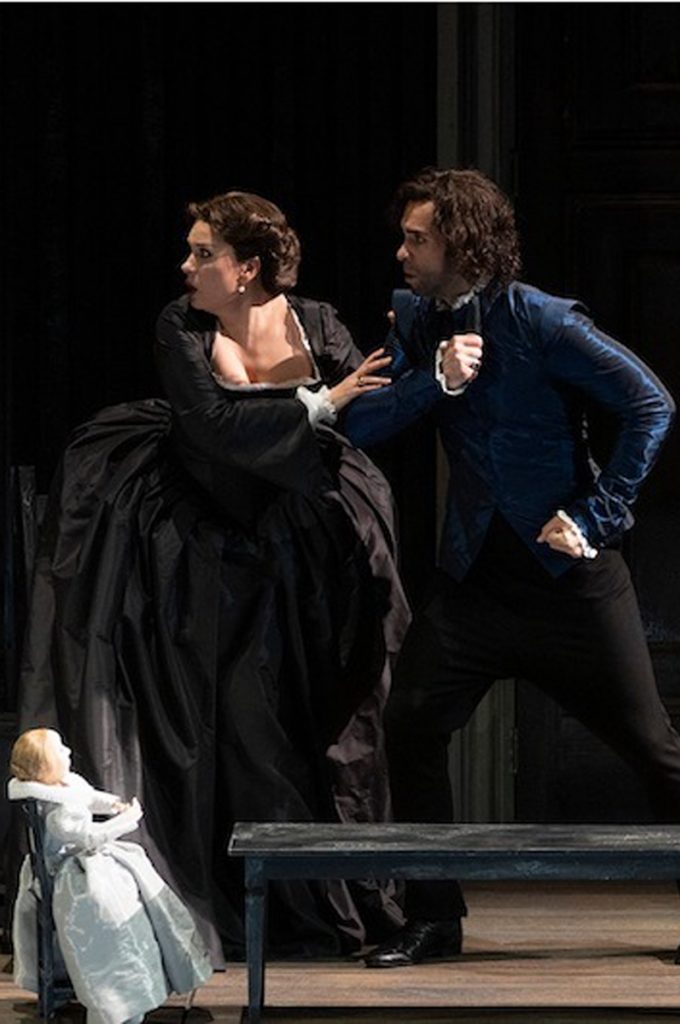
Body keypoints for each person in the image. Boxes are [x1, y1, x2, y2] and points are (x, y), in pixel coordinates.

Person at [338, 167, 680, 968]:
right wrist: (432, 383)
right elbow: (359, 428)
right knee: (409, 727)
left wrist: (596, 513)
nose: (402, 252)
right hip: (474, 580)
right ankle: (434, 917)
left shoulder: (541, 319)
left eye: (417, 239)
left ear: (462, 245)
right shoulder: (416, 318)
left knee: (650, 743)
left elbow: (650, 403)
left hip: (566, 582)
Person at [19, 191, 409, 963]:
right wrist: (317, 404)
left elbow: (364, 414)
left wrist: (418, 380)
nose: (187, 265)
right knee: (214, 716)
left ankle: (306, 900)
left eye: (203, 253)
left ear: (247, 268)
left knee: (295, 724)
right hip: (195, 536)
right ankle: (191, 900)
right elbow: (213, 427)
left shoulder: (318, 323)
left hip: (294, 540)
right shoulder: (183, 325)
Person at [8, 727, 212, 1024]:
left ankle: (147, 974)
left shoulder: (66, 785)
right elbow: (89, 836)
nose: (67, 751)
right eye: (59, 750)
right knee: (109, 910)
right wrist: (126, 821)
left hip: (86, 861)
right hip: (69, 875)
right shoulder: (56, 812)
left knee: (137, 887)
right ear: (44, 765)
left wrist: (114, 805)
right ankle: (119, 994)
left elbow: (89, 798)